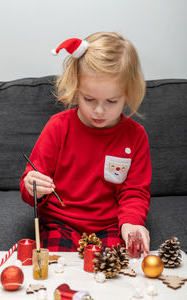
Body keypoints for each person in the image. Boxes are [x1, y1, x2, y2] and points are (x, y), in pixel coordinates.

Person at [20, 32, 151, 256]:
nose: (99, 111)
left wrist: (131, 223)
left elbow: (134, 192)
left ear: (128, 94)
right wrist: (33, 186)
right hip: (59, 223)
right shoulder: (58, 127)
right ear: (76, 89)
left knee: (114, 275)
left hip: (110, 226)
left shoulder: (135, 136)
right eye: (89, 99)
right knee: (58, 273)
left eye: (111, 101)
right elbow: (30, 184)